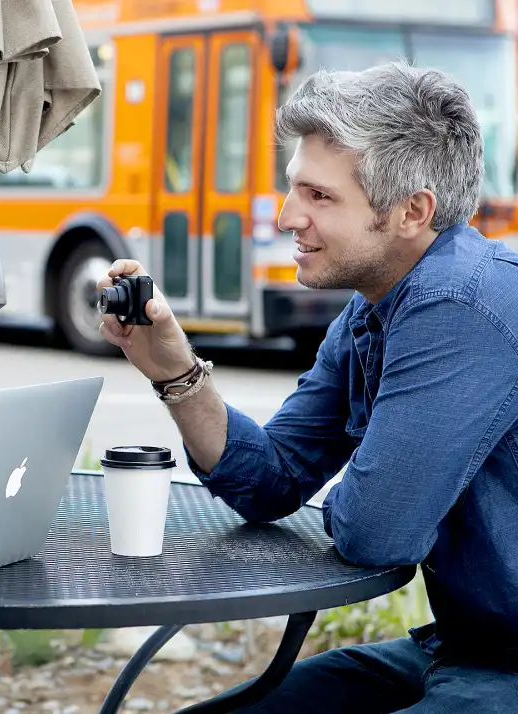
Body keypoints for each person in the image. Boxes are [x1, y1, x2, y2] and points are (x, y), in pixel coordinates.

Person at [98, 62, 518, 712]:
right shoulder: (374, 308)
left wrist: (376, 491)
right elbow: (271, 481)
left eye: (320, 196)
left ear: (412, 212)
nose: (288, 215)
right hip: (465, 647)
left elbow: (379, 531)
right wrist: (174, 370)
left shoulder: (460, 304)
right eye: (293, 188)